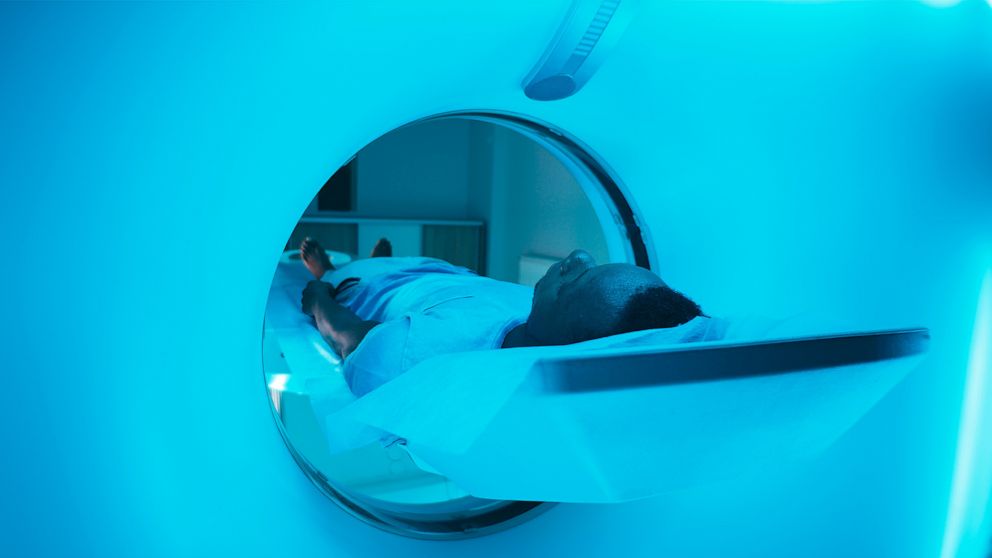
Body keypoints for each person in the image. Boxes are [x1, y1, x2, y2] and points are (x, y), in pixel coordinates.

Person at [299, 237, 703, 397]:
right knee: (411, 263)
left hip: (373, 287)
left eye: (580, 277)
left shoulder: (420, 356)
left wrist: (319, 293)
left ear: (565, 339)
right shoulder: (542, 318)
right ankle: (381, 258)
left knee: (347, 275)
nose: (577, 256)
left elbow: (343, 334)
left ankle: (332, 267)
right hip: (443, 275)